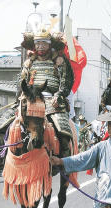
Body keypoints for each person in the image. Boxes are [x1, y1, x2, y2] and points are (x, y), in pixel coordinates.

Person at [20, 29, 74, 159]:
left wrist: (59, 94)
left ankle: (64, 162)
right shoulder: (29, 63)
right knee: (9, 123)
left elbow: (66, 81)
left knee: (63, 130)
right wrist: (22, 96)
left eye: (44, 43)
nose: (40, 46)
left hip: (52, 99)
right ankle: (4, 154)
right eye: (38, 43)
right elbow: (22, 82)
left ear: (50, 44)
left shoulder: (60, 61)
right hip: (31, 99)